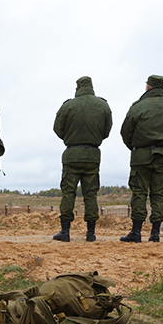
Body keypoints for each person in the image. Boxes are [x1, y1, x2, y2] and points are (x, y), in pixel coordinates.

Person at [51, 76, 113, 242]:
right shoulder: (103, 105)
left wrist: (71, 137)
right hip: (93, 155)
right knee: (91, 194)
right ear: (92, 87)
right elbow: (106, 131)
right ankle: (91, 233)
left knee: (68, 193)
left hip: (72, 154)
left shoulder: (68, 106)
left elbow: (58, 129)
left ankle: (65, 231)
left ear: (77, 89)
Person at [120, 75, 163, 243]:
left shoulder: (139, 106)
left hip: (141, 156)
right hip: (162, 155)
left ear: (148, 87)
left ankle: (136, 232)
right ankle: (155, 234)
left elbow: (126, 131)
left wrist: (135, 147)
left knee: (139, 192)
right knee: (158, 194)